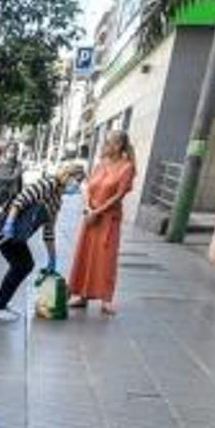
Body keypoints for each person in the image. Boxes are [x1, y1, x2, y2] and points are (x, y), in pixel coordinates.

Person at [0, 158, 85, 321]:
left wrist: (52, 258)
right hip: (4, 225)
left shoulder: (57, 200)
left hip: (17, 233)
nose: (78, 185)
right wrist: (9, 224)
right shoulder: (47, 185)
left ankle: (1, 304)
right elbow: (19, 201)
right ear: (68, 175)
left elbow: (48, 231)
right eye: (77, 180)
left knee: (22, 265)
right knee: (22, 265)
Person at [67, 131, 136, 314]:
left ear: (121, 145)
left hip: (108, 219)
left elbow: (119, 195)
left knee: (105, 258)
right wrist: (89, 208)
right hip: (91, 217)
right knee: (85, 255)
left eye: (113, 143)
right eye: (108, 142)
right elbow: (89, 187)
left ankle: (106, 299)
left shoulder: (127, 167)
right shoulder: (100, 164)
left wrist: (97, 211)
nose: (108, 146)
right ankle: (82, 295)